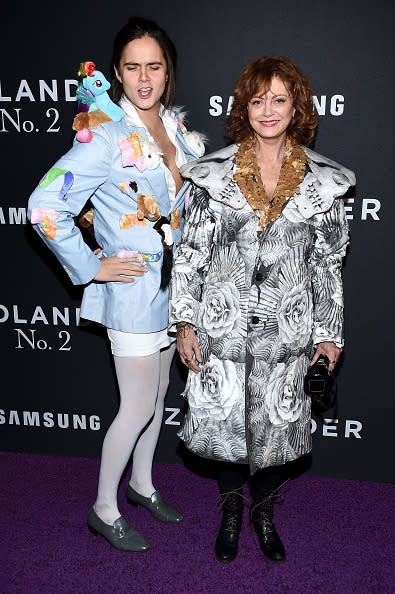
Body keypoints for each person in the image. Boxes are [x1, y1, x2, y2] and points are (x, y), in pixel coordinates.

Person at [28, 16, 204, 552]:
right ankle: (104, 508)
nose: (144, 78)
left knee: (156, 396)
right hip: (129, 291)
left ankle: (143, 484)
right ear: (118, 74)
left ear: (167, 71)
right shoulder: (106, 137)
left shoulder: (175, 132)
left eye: (154, 66)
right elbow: (43, 205)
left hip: (174, 289)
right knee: (136, 406)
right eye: (132, 67)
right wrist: (89, 265)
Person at [169, 56, 355, 563]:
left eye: (278, 99)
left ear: (296, 107)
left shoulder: (325, 182)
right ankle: (232, 512)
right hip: (221, 328)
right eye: (257, 100)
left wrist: (329, 333)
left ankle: (264, 514)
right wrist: (185, 320)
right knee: (227, 432)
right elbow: (190, 254)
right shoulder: (211, 177)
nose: (267, 110)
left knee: (277, 431)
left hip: (286, 333)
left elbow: (328, 265)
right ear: (243, 108)